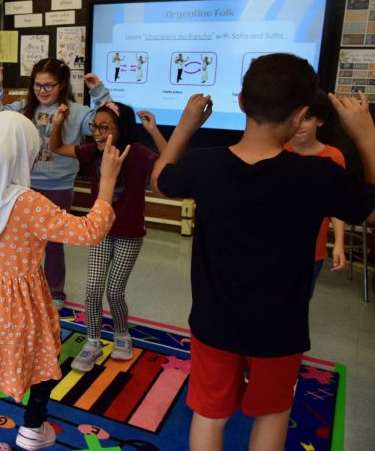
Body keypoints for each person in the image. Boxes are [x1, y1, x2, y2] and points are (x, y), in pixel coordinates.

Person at [151, 53, 375, 451]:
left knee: (209, 414)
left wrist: (185, 128)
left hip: (214, 324)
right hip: (280, 329)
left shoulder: (206, 165)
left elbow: (161, 181)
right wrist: (367, 137)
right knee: (272, 413)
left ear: (241, 103)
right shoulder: (317, 175)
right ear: (301, 113)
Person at [0, 111, 127, 451]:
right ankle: (31, 427)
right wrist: (107, 182)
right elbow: (89, 232)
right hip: (22, 303)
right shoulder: (29, 204)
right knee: (43, 359)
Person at [0, 58, 111, 309]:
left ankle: (55, 292)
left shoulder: (78, 111)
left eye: (49, 85)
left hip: (58, 187)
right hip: (21, 186)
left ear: (62, 85)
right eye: (37, 86)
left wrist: (99, 92)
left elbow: (103, 123)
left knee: (52, 244)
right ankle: (21, 288)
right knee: (19, 242)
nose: (42, 91)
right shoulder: (21, 108)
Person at [50, 101, 167, 371]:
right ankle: (92, 341)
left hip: (129, 235)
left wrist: (154, 130)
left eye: (104, 127)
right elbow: (56, 148)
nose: (97, 133)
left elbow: (169, 161)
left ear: (121, 128)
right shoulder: (93, 152)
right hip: (100, 232)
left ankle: (122, 334)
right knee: (92, 290)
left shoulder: (136, 153)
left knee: (114, 291)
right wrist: (57, 124)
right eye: (95, 127)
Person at [284, 89, 347, 297]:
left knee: (300, 302)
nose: (299, 125)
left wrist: (338, 242)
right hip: (276, 245)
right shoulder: (278, 149)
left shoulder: (333, 157)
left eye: (307, 118)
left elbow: (337, 203)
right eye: (295, 118)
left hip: (312, 250)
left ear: (319, 121)